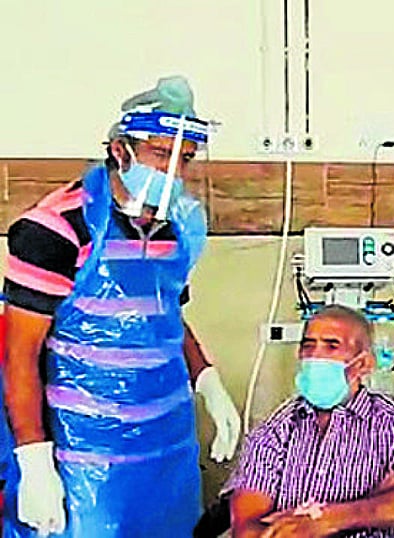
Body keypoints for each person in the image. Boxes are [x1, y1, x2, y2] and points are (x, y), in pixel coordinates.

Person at [1, 76, 241, 537]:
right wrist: (34, 462)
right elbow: (19, 356)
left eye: (184, 158)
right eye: (159, 152)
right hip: (87, 456)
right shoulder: (55, 229)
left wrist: (207, 381)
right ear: (119, 150)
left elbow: (166, 315)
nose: (173, 170)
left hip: (167, 445)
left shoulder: (177, 229)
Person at [225, 305, 394, 538]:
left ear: (363, 363)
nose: (315, 355)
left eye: (332, 346)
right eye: (308, 346)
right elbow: (246, 531)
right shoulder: (273, 433)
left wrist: (329, 520)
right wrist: (381, 498)